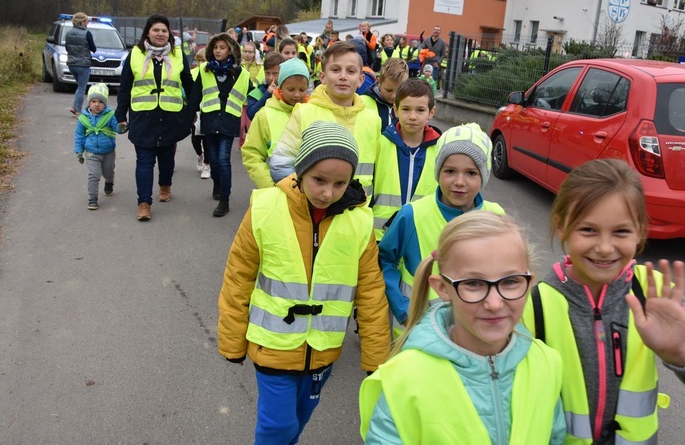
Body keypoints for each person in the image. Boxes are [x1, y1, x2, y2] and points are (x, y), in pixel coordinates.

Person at [521, 158, 685, 444]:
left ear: (640, 231)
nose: (605, 247)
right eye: (588, 230)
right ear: (562, 227)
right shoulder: (533, 303)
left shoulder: (655, 293)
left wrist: (681, 352)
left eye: (621, 231)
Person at [217, 120, 391, 444]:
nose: (328, 192)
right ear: (301, 170)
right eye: (319, 180)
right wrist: (231, 338)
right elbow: (237, 277)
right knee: (277, 427)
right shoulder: (266, 208)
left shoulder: (358, 222)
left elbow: (370, 292)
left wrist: (376, 353)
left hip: (324, 351)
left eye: (340, 183)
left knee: (296, 423)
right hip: (272, 346)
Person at [360, 211, 565, 444]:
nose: (495, 303)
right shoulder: (405, 378)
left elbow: (554, 437)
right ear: (442, 288)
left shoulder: (547, 362)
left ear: (528, 282)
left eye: (510, 282)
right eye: (474, 284)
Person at [379, 123, 505, 338]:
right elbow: (385, 260)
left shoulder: (496, 217)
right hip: (416, 332)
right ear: (437, 172)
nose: (459, 182)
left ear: (483, 176)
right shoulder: (413, 214)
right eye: (449, 171)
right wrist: (402, 308)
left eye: (471, 173)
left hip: (473, 334)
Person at [268, 41, 381, 199]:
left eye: (351, 71)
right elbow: (281, 165)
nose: (343, 76)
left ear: (361, 79)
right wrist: (305, 198)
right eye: (335, 70)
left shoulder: (373, 119)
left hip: (357, 214)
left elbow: (379, 173)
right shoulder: (305, 112)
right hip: (312, 211)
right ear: (322, 77)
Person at [115, 14, 194, 222]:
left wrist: (191, 111)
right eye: (156, 30)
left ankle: (165, 184)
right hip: (143, 117)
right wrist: (120, 113)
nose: (160, 34)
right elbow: (124, 87)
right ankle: (144, 203)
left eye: (164, 31)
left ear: (169, 34)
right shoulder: (135, 54)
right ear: (147, 33)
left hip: (170, 117)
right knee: (144, 161)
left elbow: (189, 85)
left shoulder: (178, 55)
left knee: (167, 159)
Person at [187, 33, 250, 217]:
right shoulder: (205, 70)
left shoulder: (240, 72)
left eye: (222, 47)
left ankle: (225, 199)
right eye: (215, 48)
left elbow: (252, 94)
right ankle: (217, 182)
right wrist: (186, 117)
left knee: (223, 159)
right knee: (213, 160)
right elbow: (195, 96)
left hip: (229, 122)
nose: (218, 51)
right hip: (210, 120)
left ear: (230, 49)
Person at [371, 79, 440, 240]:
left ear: (431, 112)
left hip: (421, 235)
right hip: (381, 234)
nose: (412, 116)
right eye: (406, 109)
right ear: (395, 110)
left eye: (420, 110)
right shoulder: (380, 144)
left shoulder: (439, 149)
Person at [242, 58, 310, 189]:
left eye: (302, 90)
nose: (297, 95)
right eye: (291, 89)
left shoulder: (314, 112)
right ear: (279, 87)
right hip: (277, 189)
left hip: (311, 192)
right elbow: (252, 154)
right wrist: (268, 186)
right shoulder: (264, 115)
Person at [73, 83, 122, 210]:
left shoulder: (110, 115)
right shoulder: (83, 118)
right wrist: (79, 151)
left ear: (105, 102)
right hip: (91, 152)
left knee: (108, 172)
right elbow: (79, 136)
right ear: (89, 102)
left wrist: (122, 127)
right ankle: (92, 198)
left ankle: (109, 182)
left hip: (108, 151)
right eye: (93, 101)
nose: (96, 104)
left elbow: (117, 128)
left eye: (100, 101)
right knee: (93, 175)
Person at [360, 58, 409, 131]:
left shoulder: (410, 105)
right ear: (379, 82)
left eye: (399, 90)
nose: (394, 96)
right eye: (389, 90)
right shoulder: (362, 102)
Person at [65, 12, 96, 116]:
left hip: (71, 64)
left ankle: (75, 106)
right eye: (86, 21)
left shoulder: (68, 33)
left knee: (80, 86)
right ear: (82, 22)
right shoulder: (87, 33)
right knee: (82, 88)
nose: (87, 23)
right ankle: (78, 109)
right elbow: (93, 49)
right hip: (83, 65)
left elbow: (67, 48)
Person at [189, 49, 210, 178]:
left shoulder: (210, 73)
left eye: (204, 60)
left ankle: (207, 165)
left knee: (207, 139)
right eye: (199, 60)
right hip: (195, 110)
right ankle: (200, 155)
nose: (201, 62)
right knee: (195, 139)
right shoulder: (192, 73)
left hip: (208, 108)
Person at [246, 52, 283, 121]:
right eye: (267, 73)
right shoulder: (257, 92)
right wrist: (268, 94)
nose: (271, 78)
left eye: (275, 73)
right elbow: (251, 114)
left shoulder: (286, 91)